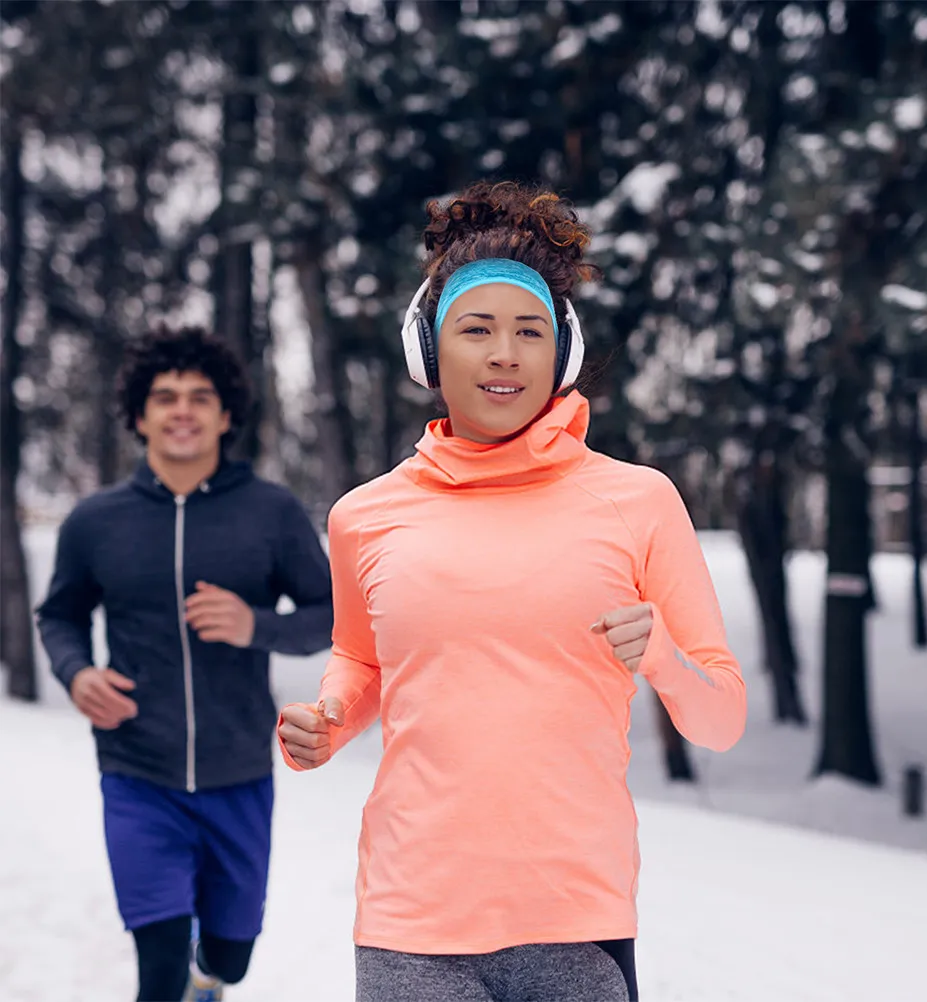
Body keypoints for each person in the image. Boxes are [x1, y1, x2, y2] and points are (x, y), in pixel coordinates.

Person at [276, 181, 747, 1002]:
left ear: (562, 351)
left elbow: (723, 717)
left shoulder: (637, 501)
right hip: (410, 922)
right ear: (429, 352)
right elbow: (362, 659)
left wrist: (662, 657)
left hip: (577, 924)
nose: (505, 354)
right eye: (477, 330)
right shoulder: (365, 516)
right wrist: (331, 718)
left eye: (530, 331)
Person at [36, 326, 334, 1002]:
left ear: (226, 415)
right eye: (165, 397)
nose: (182, 411)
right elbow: (59, 616)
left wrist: (255, 625)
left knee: (231, 957)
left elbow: (330, 614)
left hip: (238, 773)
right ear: (139, 415)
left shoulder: (270, 513)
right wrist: (77, 673)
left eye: (200, 397)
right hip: (137, 771)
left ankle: (212, 976)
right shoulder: (95, 521)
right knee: (159, 961)